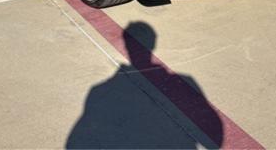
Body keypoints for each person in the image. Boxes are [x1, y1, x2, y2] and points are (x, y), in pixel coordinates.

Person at [66, 22, 223, 149]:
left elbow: (76, 141)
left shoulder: (98, 91)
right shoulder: (183, 80)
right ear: (153, 45)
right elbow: (214, 130)